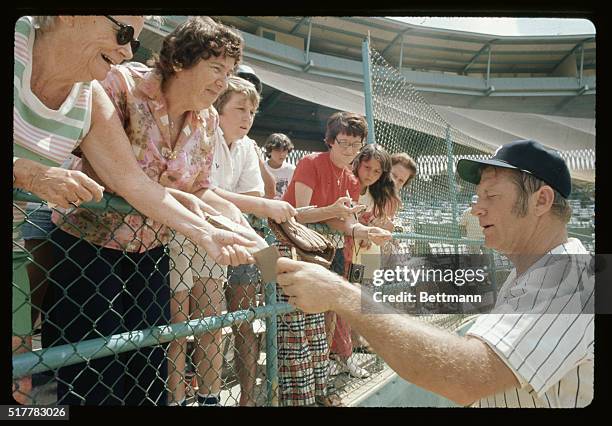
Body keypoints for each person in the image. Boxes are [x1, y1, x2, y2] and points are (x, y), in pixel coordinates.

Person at [12, 15, 256, 406]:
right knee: (83, 375)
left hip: (144, 252)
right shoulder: (115, 82)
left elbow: (165, 186)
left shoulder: (201, 119)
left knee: (143, 369)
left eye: (228, 73)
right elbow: (129, 179)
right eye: (215, 69)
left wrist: (223, 227)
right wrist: (27, 173)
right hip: (87, 246)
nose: (222, 82)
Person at [277, 139, 593, 408]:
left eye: (491, 196)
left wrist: (340, 293)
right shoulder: (540, 270)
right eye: (477, 196)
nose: (476, 209)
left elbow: (467, 376)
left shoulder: (573, 277)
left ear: (542, 200)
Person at [279, 111, 392, 406]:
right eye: (344, 143)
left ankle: (319, 390)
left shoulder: (351, 180)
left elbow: (340, 222)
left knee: (317, 328)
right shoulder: (310, 163)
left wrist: (364, 230)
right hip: (286, 248)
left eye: (356, 145)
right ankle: (296, 398)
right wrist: (334, 209)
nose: (349, 151)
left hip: (319, 255)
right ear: (330, 141)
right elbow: (298, 213)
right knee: (292, 326)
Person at [330, 144, 401, 379]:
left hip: (365, 257)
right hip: (343, 254)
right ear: (358, 163)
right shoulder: (346, 184)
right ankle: (341, 355)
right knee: (341, 305)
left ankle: (345, 354)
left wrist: (382, 226)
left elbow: (384, 223)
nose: (370, 174)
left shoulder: (379, 194)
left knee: (357, 303)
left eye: (376, 171)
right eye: (367, 167)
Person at [263, 133, 296, 200]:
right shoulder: (261, 168)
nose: (281, 154)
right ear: (269, 151)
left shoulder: (292, 170)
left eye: (284, 150)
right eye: (277, 150)